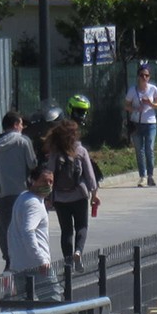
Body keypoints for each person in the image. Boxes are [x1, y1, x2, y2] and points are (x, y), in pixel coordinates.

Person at [0, 109, 38, 267]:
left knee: (5, 228)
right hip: (23, 192)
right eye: (21, 123)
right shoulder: (24, 141)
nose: (22, 127)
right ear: (16, 124)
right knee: (24, 226)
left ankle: (8, 258)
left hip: (2, 193)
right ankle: (25, 258)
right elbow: (32, 164)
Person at [45, 117, 98, 272]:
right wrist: (94, 194)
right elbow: (90, 176)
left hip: (60, 198)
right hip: (79, 195)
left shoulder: (55, 152)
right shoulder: (81, 151)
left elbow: (49, 175)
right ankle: (78, 251)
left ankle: (68, 262)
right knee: (81, 226)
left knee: (66, 230)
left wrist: (48, 197)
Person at [7, 162, 62, 303]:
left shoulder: (23, 198)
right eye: (44, 181)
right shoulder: (34, 203)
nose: (48, 185)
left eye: (51, 182)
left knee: (26, 305)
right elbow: (28, 231)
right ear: (33, 181)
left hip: (20, 264)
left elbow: (12, 231)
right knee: (53, 302)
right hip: (37, 266)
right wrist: (41, 259)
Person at [124, 64, 157, 186]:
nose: (144, 78)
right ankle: (142, 176)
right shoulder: (132, 90)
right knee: (139, 151)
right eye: (142, 75)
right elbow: (126, 105)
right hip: (137, 123)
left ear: (149, 77)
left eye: (147, 75)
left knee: (149, 149)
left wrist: (150, 104)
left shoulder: (153, 89)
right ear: (138, 76)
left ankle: (150, 175)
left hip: (150, 123)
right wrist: (135, 109)